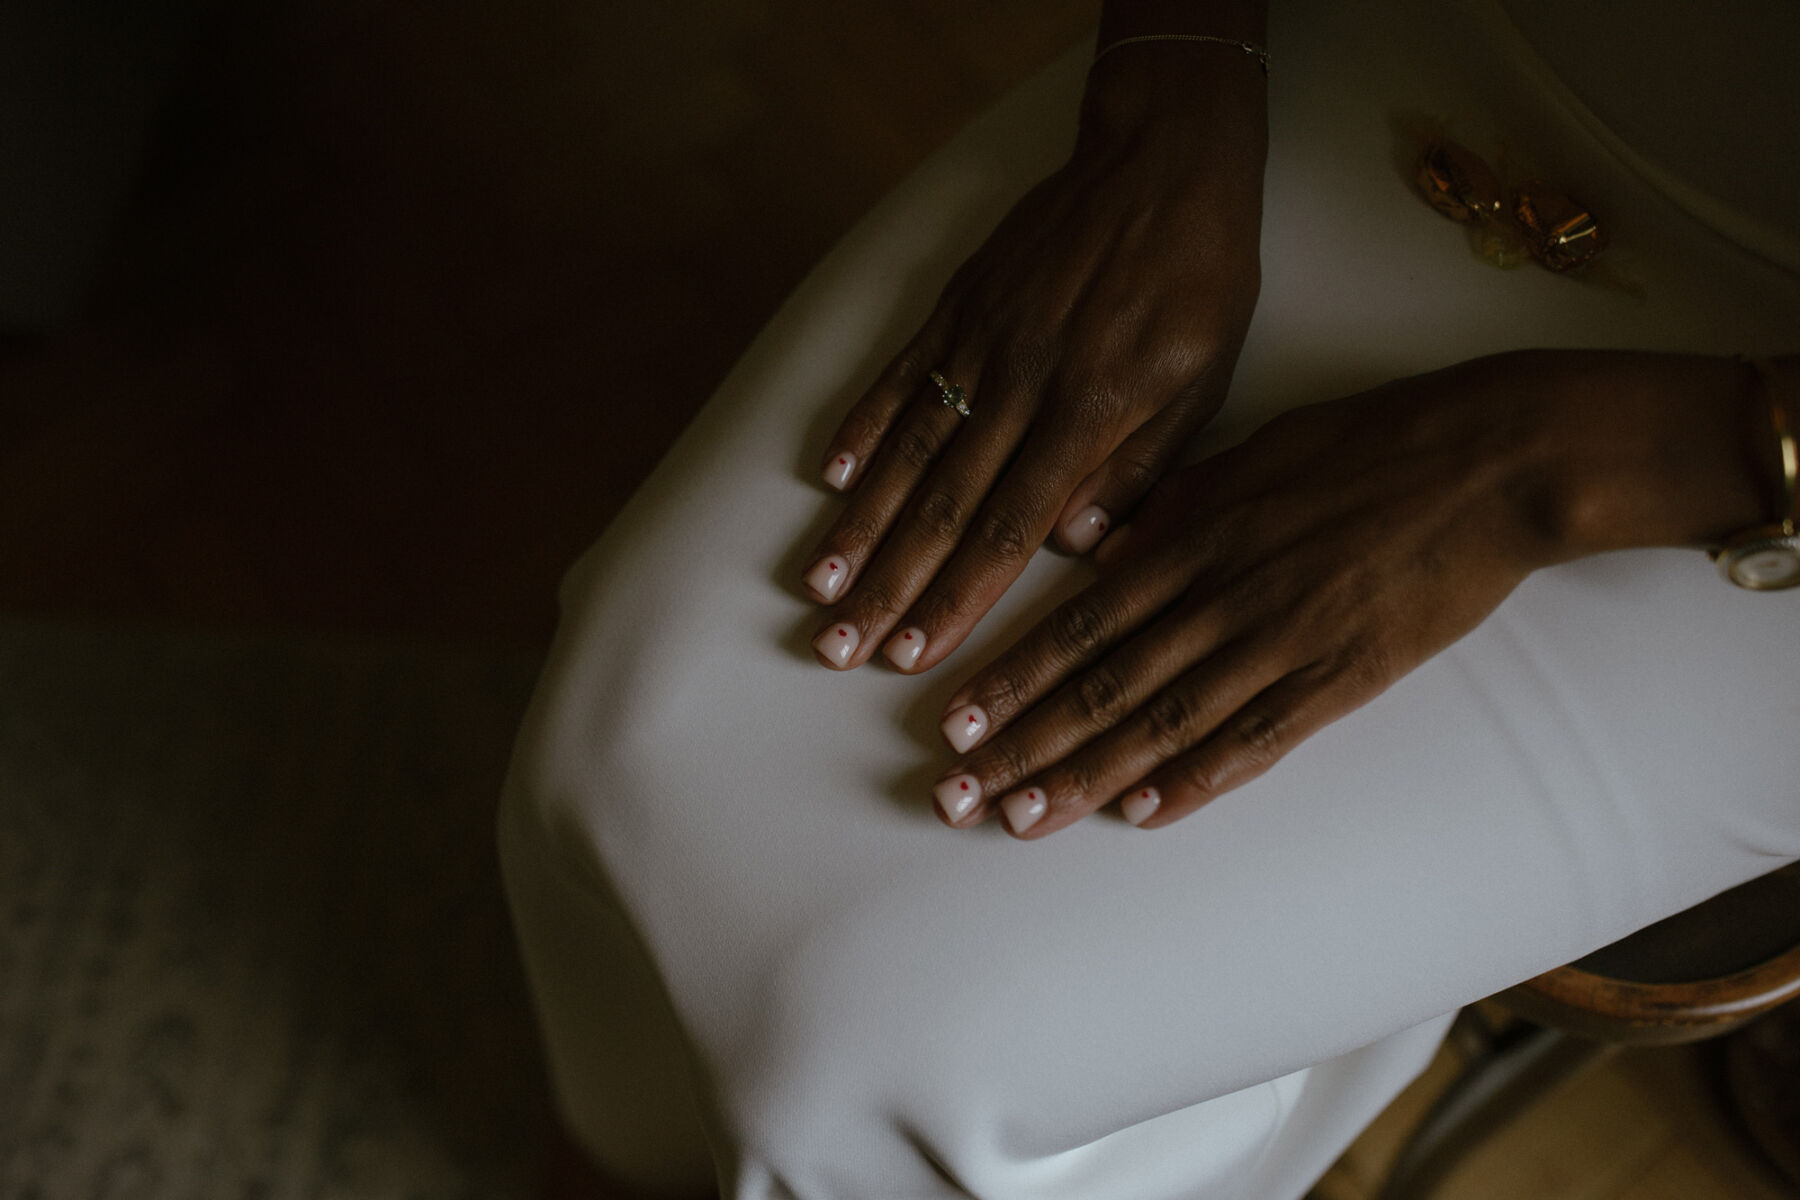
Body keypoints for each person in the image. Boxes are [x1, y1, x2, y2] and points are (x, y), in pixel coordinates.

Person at [499, 0, 1800, 1196]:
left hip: (1734, 456)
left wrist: (1540, 467)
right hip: (1386, 53)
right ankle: (628, 1155)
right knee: (622, 741)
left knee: (887, 1041)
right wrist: (1172, 84)